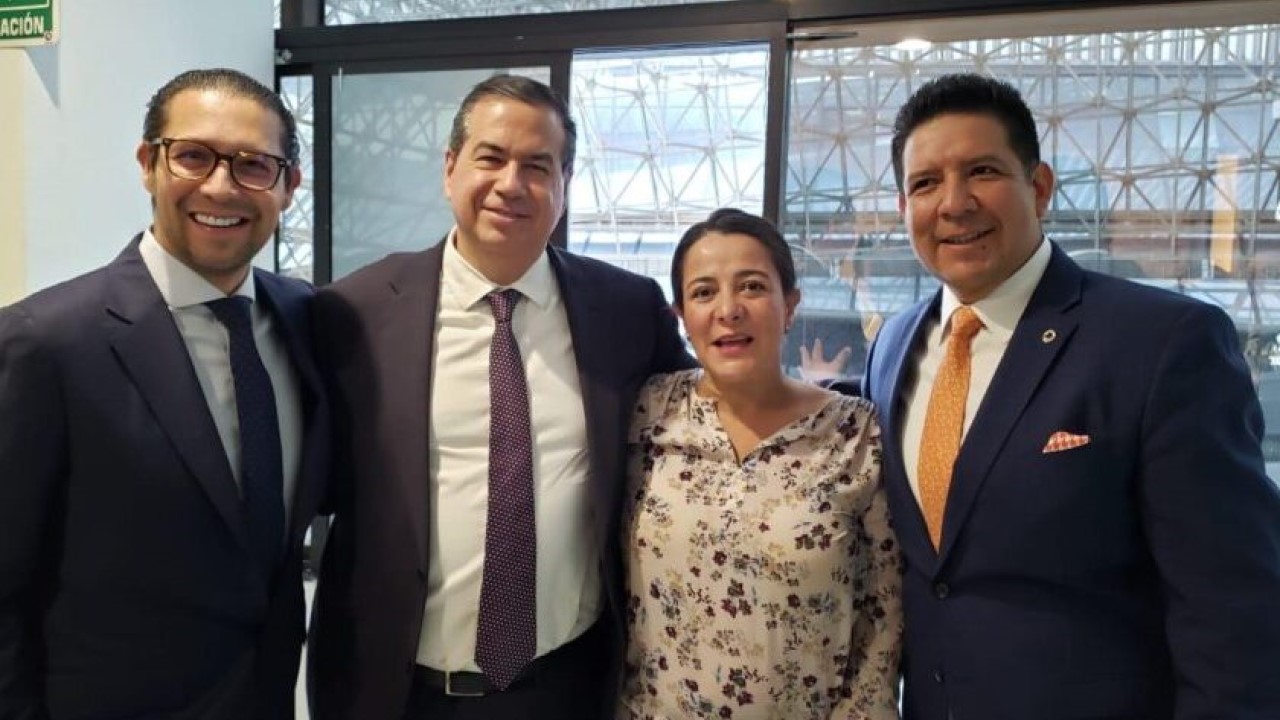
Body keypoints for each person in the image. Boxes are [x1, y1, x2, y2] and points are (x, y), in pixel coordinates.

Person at [861, 72, 1280, 719]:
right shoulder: (892, 347)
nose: (954, 203)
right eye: (925, 183)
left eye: (982, 171)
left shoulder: (1161, 342)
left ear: (1039, 186)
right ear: (902, 207)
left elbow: (1234, 611)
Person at [306, 74, 693, 720]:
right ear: (450, 169)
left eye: (537, 166)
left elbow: (702, 422)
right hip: (396, 693)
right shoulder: (354, 311)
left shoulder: (625, 310)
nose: (511, 184)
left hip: (566, 689)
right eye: (490, 158)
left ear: (564, 185)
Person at [0, 68, 329, 719]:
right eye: (194, 156)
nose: (221, 187)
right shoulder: (46, 341)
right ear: (148, 164)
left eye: (253, 165)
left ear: (289, 186)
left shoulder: (306, 320)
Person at [619, 209, 902, 720]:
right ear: (681, 316)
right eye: (704, 292)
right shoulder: (648, 413)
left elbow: (883, 615)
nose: (728, 310)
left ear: (789, 305)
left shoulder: (854, 433)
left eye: (751, 286)